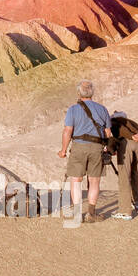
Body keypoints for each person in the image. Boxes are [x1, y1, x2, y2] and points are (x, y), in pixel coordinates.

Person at [58, 80, 113, 222]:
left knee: (76, 180)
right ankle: (91, 214)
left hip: (78, 147)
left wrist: (63, 150)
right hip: (97, 148)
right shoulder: (102, 109)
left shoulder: (73, 109)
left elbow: (67, 131)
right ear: (92, 93)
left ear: (79, 93)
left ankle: (77, 215)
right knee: (94, 181)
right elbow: (107, 132)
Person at [109, 111, 138, 220]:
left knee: (124, 176)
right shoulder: (133, 123)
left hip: (127, 145)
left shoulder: (115, 122)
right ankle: (135, 201)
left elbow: (116, 134)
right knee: (133, 171)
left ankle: (125, 211)